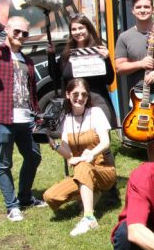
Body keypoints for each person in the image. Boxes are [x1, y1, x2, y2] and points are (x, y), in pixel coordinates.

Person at [0, 16, 46, 222]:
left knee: (33, 156)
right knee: (4, 164)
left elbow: (32, 93)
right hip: (1, 118)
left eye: (25, 33)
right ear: (7, 30)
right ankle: (12, 205)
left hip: (26, 119)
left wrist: (38, 117)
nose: (21, 36)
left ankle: (25, 197)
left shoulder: (28, 60)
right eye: (17, 32)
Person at [43, 78, 117, 236]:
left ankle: (89, 218)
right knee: (50, 197)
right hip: (82, 173)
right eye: (75, 94)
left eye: (84, 94)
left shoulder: (95, 113)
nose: (80, 98)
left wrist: (90, 155)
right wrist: (54, 144)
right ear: (68, 95)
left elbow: (106, 142)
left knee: (82, 166)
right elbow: (69, 154)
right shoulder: (66, 119)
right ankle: (92, 192)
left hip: (103, 169)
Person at [114, 0, 154, 161]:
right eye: (139, 7)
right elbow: (119, 67)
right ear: (132, 11)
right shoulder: (125, 37)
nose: (143, 10)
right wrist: (141, 64)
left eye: (146, 6)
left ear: (153, 9)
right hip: (140, 94)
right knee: (151, 138)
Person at [60, 14, 115, 124]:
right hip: (75, 102)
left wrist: (107, 60)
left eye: (81, 28)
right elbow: (57, 76)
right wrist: (50, 56)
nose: (77, 32)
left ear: (88, 29)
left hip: (96, 100)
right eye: (74, 29)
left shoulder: (99, 50)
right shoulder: (66, 54)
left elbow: (109, 80)